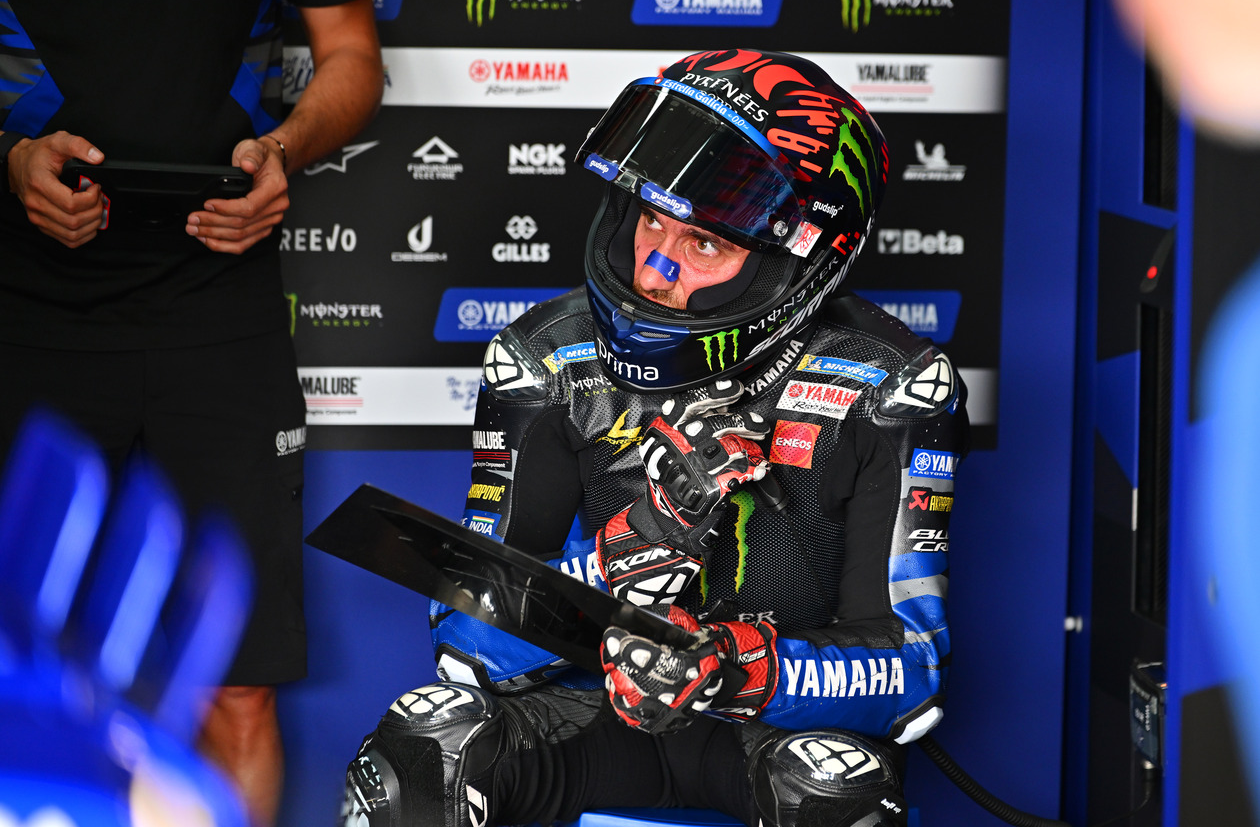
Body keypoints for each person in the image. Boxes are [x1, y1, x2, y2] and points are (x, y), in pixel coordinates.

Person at [343, 49, 968, 827]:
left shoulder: (890, 385)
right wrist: (633, 547)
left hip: (769, 729)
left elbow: (911, 672)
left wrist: (734, 668)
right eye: (650, 220)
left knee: (837, 793)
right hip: (590, 712)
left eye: (705, 243)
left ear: (796, 258)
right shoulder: (546, 359)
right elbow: (467, 646)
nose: (654, 271)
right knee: (421, 753)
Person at [0, 0, 384, 826]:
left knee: (237, 692)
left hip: (221, 312)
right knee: (17, 681)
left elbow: (352, 53)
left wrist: (281, 149)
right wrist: (10, 157)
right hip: (25, 316)